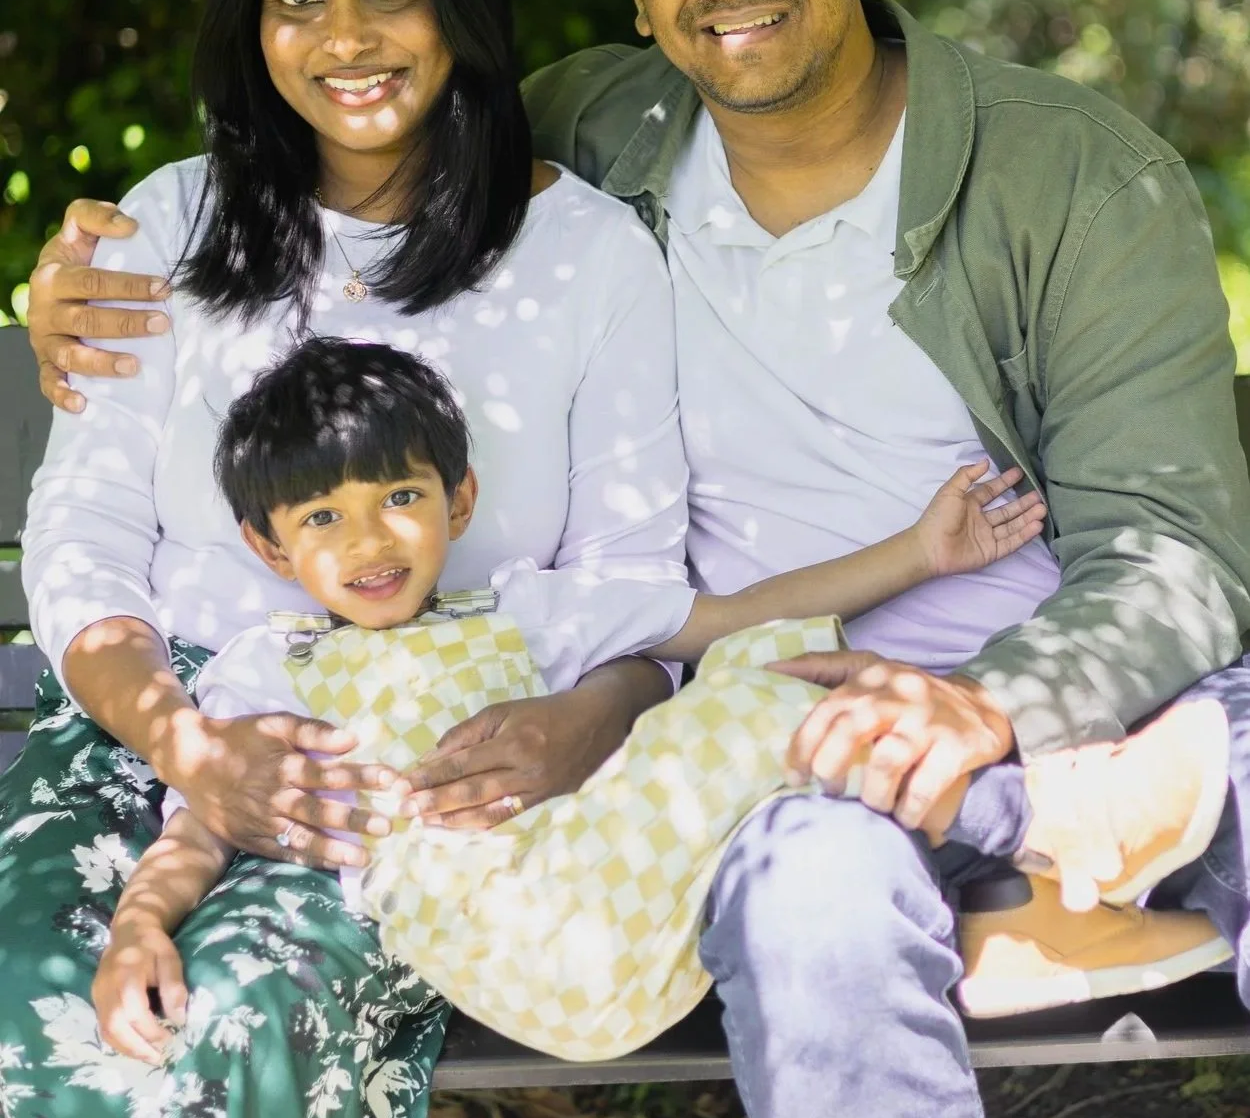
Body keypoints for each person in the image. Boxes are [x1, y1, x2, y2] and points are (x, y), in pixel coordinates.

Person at [25, 0, 1250, 1118]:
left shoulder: (1059, 179)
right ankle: (1041, 836)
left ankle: (1075, 808)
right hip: (784, 716)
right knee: (815, 902)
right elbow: (360, 191)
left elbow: (1172, 543)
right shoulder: (601, 141)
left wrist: (997, 707)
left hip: (1079, 683)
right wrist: (76, 279)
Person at [3, 0, 707, 1118]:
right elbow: (81, 550)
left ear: (456, 0)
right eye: (297, 0)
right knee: (35, 1011)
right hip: (150, 730)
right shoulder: (167, 228)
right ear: (251, 26)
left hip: (398, 767)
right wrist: (184, 742)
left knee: (231, 1020)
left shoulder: (586, 258)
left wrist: (576, 724)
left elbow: (635, 579)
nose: (347, 38)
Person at [92, 335, 1227, 1070]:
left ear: (459, 495)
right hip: (512, 939)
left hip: (617, 885)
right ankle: (1040, 826)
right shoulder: (268, 669)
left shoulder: (525, 613)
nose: (372, 538)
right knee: (763, 698)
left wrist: (916, 553)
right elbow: (199, 822)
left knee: (768, 668)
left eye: (400, 495)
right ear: (267, 544)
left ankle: (1022, 902)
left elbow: (725, 618)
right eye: (323, 518)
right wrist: (141, 922)